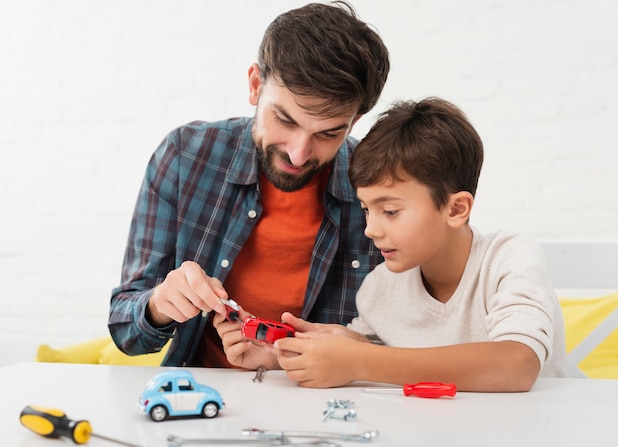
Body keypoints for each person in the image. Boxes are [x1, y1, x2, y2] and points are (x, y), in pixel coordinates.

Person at [108, 1, 390, 368]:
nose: (299, 154)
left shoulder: (375, 185)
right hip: (203, 402)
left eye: (328, 133)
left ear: (354, 123)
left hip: (327, 408)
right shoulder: (186, 156)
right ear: (256, 86)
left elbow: (411, 339)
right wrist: (160, 303)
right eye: (285, 120)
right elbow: (125, 332)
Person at [268, 98, 570, 391]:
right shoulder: (380, 287)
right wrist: (279, 353)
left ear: (455, 209)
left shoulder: (508, 258)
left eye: (390, 211)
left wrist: (358, 360)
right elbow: (368, 354)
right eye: (366, 209)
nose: (371, 229)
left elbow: (517, 365)